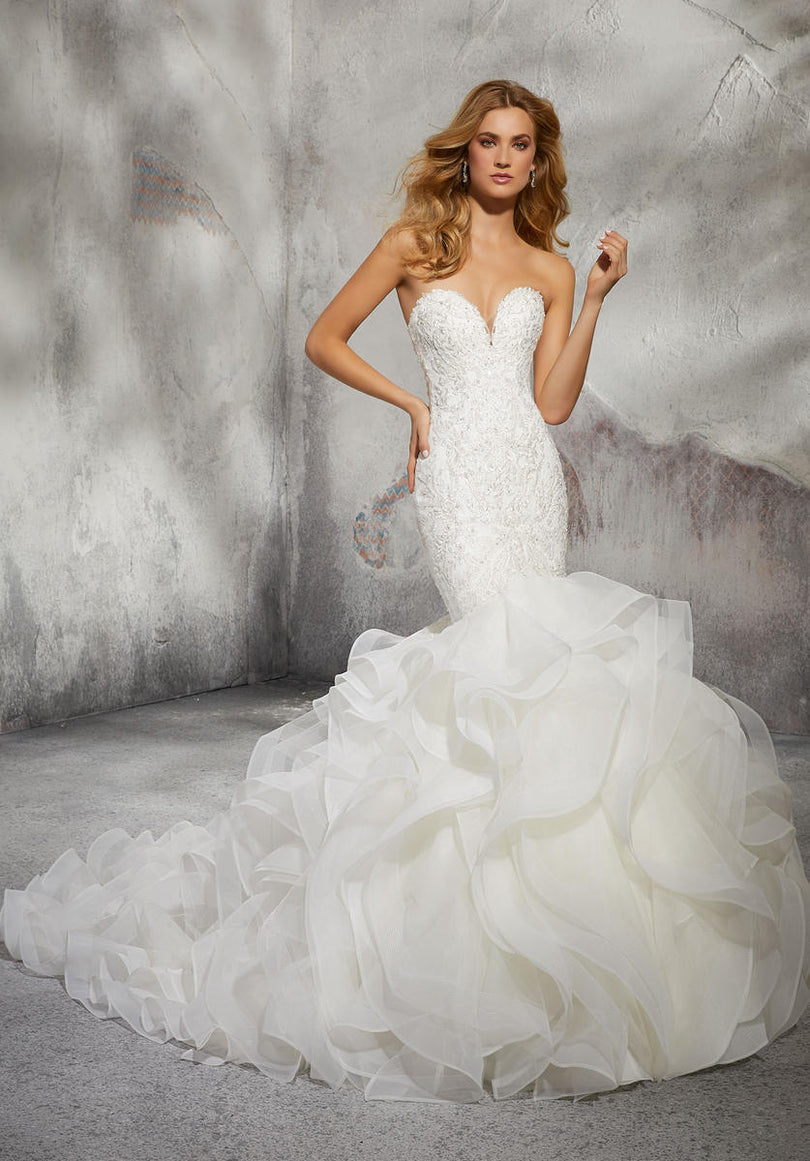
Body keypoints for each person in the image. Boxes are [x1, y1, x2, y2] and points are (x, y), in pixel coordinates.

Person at [2, 80, 808, 1105]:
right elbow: (323, 338)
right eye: (491, 141)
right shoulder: (412, 247)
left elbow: (553, 403)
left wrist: (599, 296)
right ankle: (463, 915)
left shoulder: (552, 267)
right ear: (465, 152)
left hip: (527, 476)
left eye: (522, 144)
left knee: (539, 659)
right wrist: (412, 407)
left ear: (538, 159)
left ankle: (537, 900)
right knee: (496, 647)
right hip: (457, 477)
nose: (505, 158)